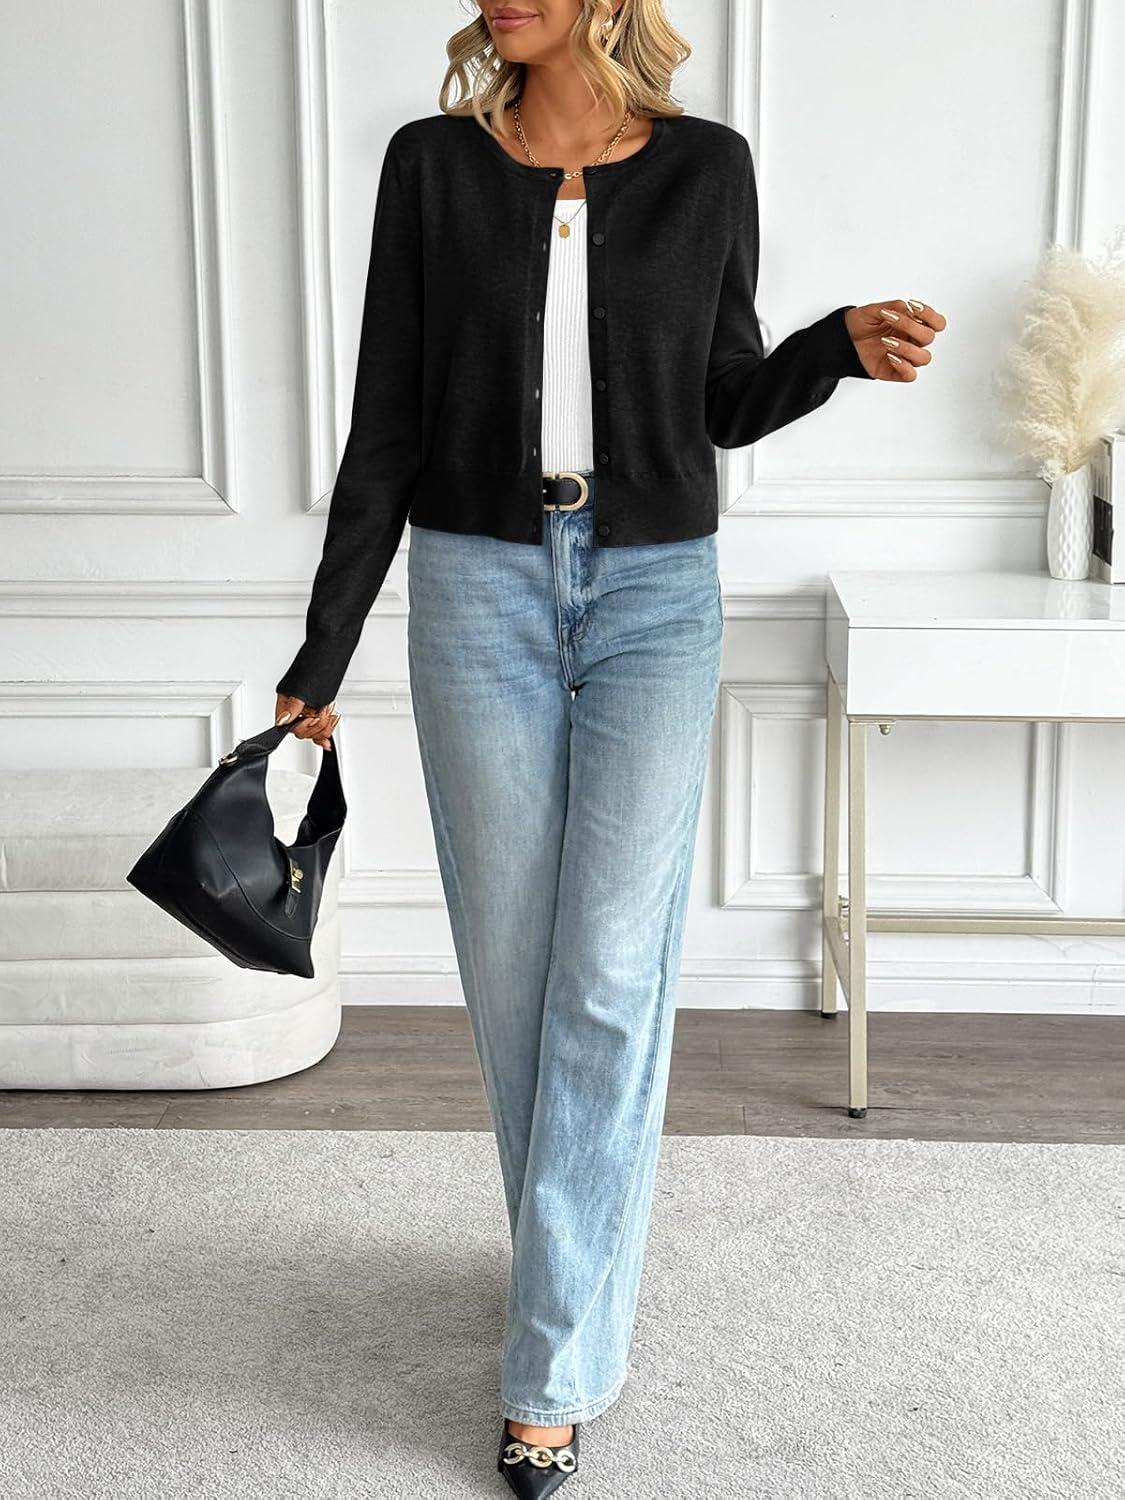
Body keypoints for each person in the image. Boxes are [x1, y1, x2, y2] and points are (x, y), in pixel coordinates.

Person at [274, 2, 945, 1492]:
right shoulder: (431, 165)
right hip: (474, 588)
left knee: (607, 977)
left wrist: (829, 349)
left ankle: (552, 1366)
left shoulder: (706, 168)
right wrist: (322, 652)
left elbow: (720, 401)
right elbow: (386, 419)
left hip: (653, 594)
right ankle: (564, 1290)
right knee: (518, 974)